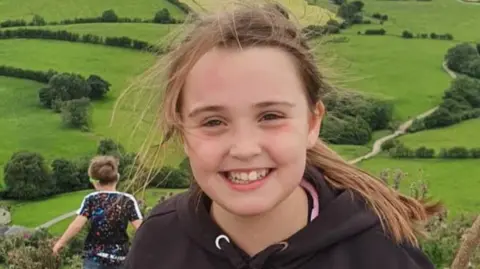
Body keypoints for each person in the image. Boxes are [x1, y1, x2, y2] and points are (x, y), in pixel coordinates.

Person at [123, 2, 442, 268]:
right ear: (182, 134)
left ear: (312, 123)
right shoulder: (158, 242)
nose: (245, 149)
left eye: (271, 116)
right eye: (213, 122)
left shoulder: (381, 255)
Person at [53, 155, 143, 269]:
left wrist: (60, 243)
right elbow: (142, 228)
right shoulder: (127, 200)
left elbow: (76, 225)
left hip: (94, 259)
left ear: (94, 182)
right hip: (120, 259)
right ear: (117, 178)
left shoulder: (91, 199)